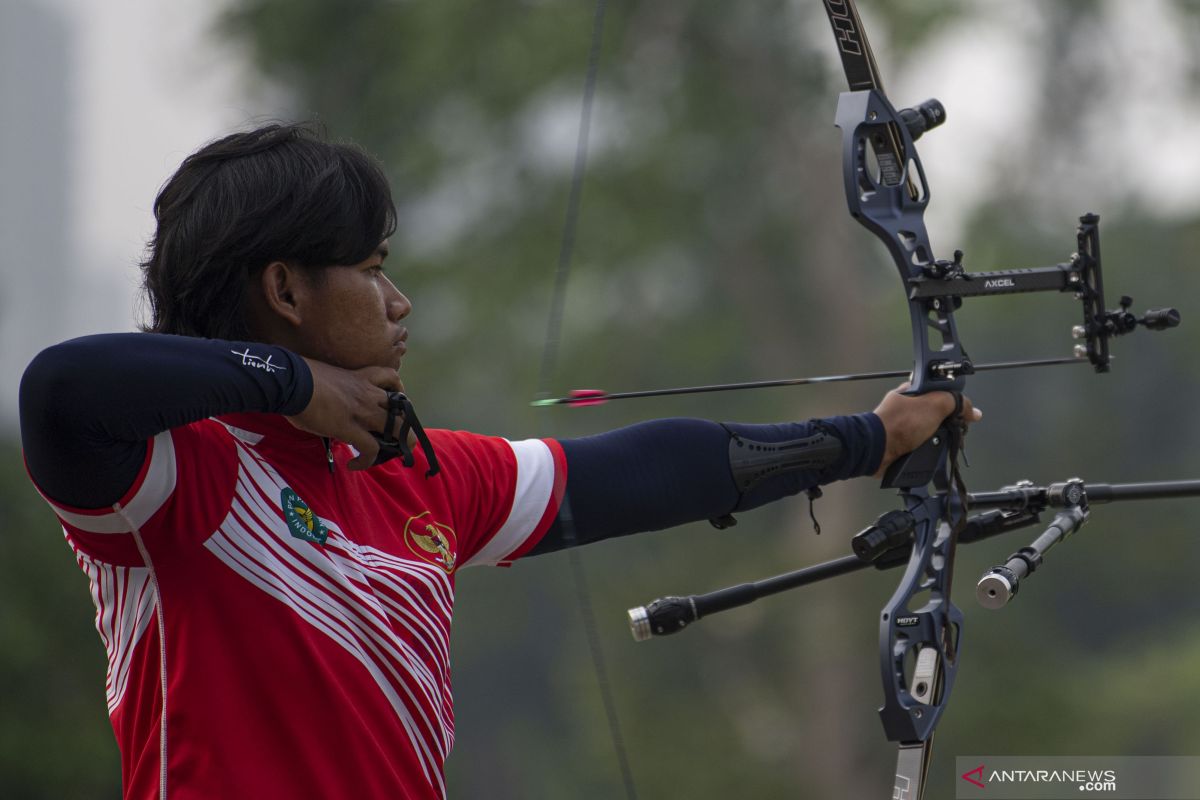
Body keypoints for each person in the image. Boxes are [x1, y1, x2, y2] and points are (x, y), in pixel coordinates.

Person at [19, 123, 979, 800]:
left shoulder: (410, 474)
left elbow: (650, 471)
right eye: (372, 268)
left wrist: (872, 437)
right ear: (285, 289)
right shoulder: (178, 481)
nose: (400, 305)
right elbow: (61, 387)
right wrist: (295, 385)